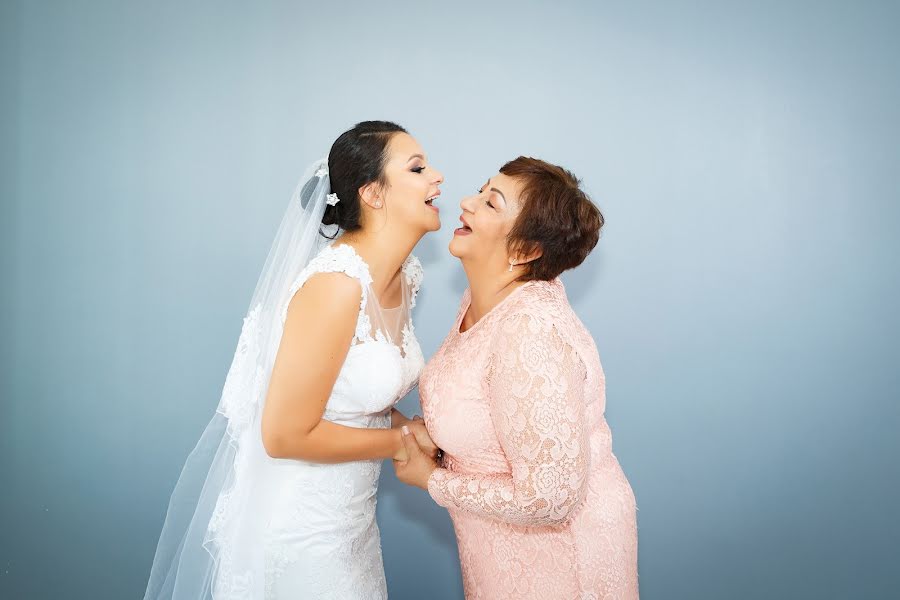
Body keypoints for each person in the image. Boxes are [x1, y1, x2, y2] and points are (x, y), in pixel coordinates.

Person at [144, 120, 443, 599]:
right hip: (299, 531)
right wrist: (401, 441)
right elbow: (283, 434)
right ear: (373, 193)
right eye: (417, 168)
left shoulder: (406, 276)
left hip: (351, 524)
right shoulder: (334, 287)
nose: (438, 177)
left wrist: (408, 426)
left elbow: (348, 389)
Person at [395, 156, 639, 599]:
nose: (466, 203)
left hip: (561, 563)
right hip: (499, 552)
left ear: (525, 251)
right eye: (480, 191)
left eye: (491, 204)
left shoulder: (529, 332)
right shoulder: (485, 298)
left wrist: (432, 481)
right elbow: (492, 410)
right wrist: (435, 437)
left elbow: (551, 498)